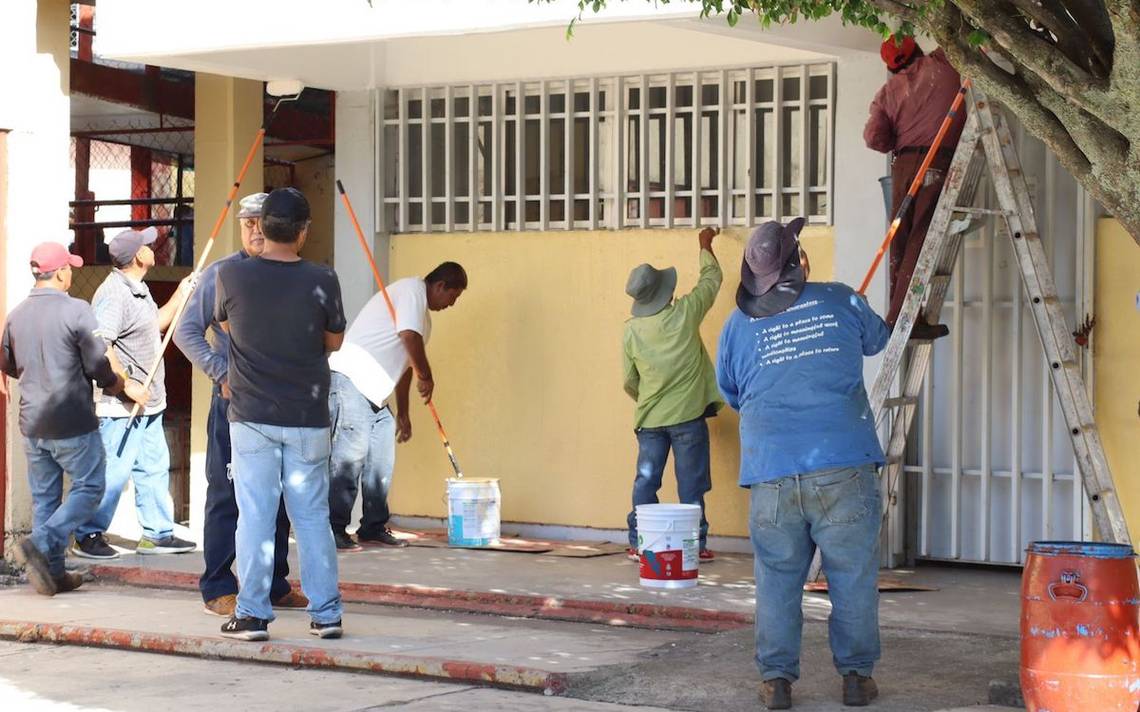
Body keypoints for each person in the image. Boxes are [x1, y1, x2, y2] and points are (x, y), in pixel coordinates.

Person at [716, 218, 890, 709]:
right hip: (843, 466)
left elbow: (733, 393)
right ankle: (856, 678)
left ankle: (776, 682)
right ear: (800, 263)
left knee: (776, 579)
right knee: (851, 575)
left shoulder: (736, 325)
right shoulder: (840, 298)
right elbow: (878, 341)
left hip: (769, 471)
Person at [215, 187, 346, 641]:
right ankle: (326, 614)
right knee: (311, 516)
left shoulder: (230, 275)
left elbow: (229, 328)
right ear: (303, 232)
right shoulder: (324, 279)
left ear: (261, 227)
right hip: (307, 415)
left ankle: (251, 614)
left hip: (250, 415)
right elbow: (334, 342)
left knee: (255, 515)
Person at [174, 193, 306, 617]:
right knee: (228, 491)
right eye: (246, 222)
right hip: (233, 400)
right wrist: (221, 372)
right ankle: (217, 583)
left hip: (280, 399)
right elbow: (186, 332)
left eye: (260, 222)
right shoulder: (222, 273)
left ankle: (273, 581)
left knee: (280, 492)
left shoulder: (287, 273)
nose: (253, 230)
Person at [1, 242, 125, 595]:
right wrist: (113, 384)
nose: (73, 272)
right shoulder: (77, 310)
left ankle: (52, 574)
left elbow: (7, 363)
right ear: (59, 273)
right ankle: (41, 542)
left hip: (32, 423)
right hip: (71, 421)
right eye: (70, 267)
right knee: (90, 488)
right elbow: (98, 363)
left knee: (46, 500)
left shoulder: (17, 314)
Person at [67, 227, 196, 559]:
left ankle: (157, 534)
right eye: (147, 245)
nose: (152, 246)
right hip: (121, 404)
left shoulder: (137, 288)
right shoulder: (114, 294)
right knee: (114, 471)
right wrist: (125, 386)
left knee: (153, 466)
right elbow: (100, 343)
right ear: (139, 256)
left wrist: (182, 294)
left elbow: (155, 325)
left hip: (149, 402)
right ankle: (88, 533)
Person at [327, 262, 467, 551]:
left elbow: (404, 365)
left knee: (382, 459)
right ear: (440, 286)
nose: (451, 304)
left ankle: (373, 526)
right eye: (453, 296)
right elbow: (408, 339)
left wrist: (403, 412)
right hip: (352, 380)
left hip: (377, 395)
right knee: (350, 457)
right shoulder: (412, 291)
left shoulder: (421, 319)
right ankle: (334, 528)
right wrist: (427, 376)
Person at [622, 226, 723, 564]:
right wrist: (704, 244)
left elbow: (629, 380)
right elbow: (712, 281)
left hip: (649, 420)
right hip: (687, 419)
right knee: (691, 486)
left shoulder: (632, 330)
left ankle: (639, 541)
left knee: (646, 481)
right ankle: (695, 544)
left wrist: (651, 397)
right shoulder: (684, 313)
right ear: (666, 293)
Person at [863, 35, 965, 339]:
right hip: (937, 162)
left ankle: (901, 317)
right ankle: (903, 318)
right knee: (921, 239)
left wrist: (901, 138)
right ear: (916, 48)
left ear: (891, 66)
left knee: (901, 241)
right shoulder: (944, 63)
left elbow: (874, 139)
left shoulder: (888, 92)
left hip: (904, 167)